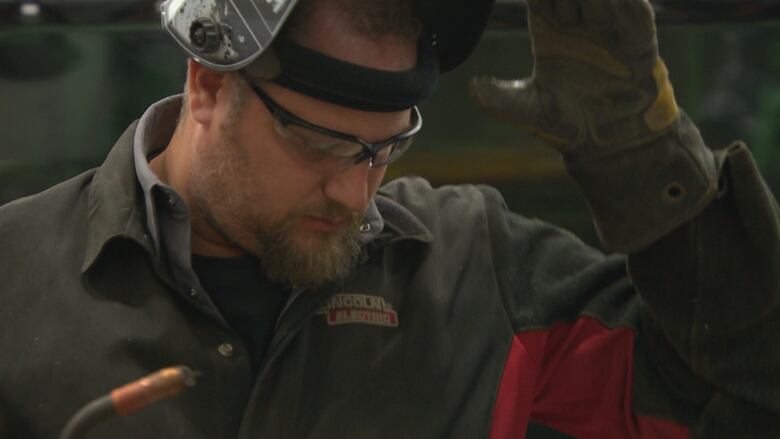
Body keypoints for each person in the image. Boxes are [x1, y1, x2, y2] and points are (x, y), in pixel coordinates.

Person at [0, 0, 777, 438]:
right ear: (208, 83)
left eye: (384, 148)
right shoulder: (15, 280)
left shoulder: (479, 272)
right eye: (317, 142)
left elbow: (747, 386)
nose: (355, 193)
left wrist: (643, 160)